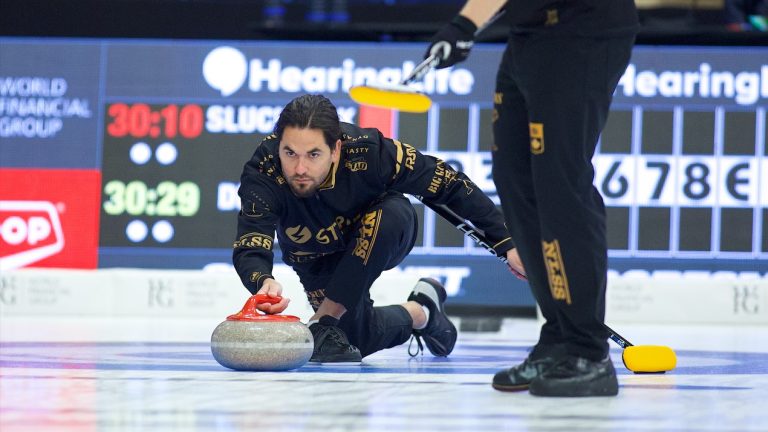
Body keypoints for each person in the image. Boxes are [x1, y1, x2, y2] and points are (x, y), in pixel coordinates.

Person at [424, 0, 639, 396]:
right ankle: (559, 337)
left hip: (581, 30)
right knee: (515, 179)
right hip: (530, 32)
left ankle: (587, 350)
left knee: (562, 184)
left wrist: (465, 22)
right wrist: (467, 24)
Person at [233, 94, 525, 363]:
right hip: (316, 258)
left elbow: (447, 183)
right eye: (290, 153)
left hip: (383, 231)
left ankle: (325, 318)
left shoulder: (369, 152)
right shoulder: (263, 170)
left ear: (336, 149)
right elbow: (251, 240)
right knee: (350, 340)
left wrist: (507, 241)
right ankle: (423, 311)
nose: (299, 168)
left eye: (313, 155)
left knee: (389, 217)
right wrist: (262, 282)